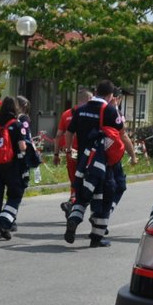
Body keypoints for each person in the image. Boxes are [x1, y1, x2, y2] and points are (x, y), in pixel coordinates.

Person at [65, 80, 129, 248]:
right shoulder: (109, 110)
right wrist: (130, 154)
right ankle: (96, 237)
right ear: (110, 96)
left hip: (82, 160)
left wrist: (68, 149)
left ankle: (73, 219)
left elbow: (69, 131)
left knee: (82, 193)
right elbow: (121, 134)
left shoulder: (80, 110)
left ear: (95, 91)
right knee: (104, 196)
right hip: (101, 163)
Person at [0, 96, 31, 241]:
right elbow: (22, 147)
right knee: (15, 195)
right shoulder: (17, 125)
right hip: (12, 166)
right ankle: (4, 222)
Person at [54, 85, 92, 218]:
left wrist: (56, 154)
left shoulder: (66, 114)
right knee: (89, 182)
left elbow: (59, 135)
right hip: (86, 153)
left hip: (70, 153)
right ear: (88, 99)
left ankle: (72, 202)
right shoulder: (90, 114)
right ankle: (76, 206)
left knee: (74, 181)